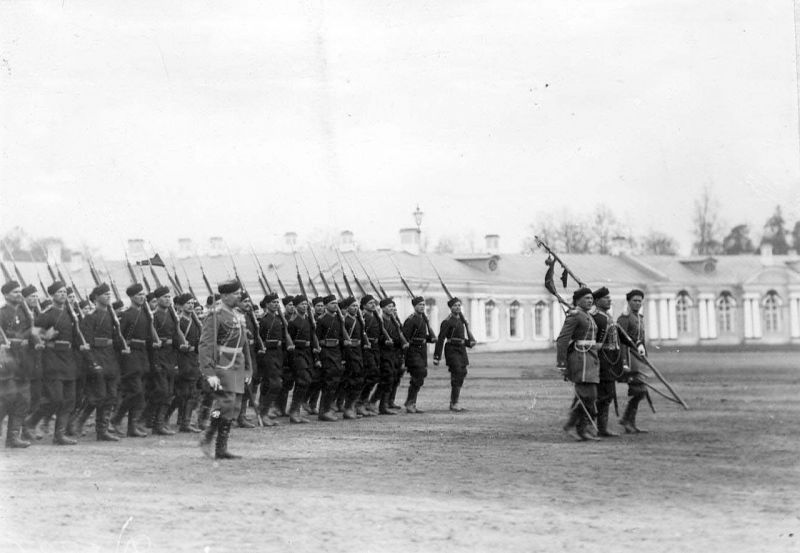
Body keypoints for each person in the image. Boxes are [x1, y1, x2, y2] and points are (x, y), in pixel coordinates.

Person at [25, 281, 87, 445]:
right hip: (52, 359)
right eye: (59, 292)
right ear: (52, 295)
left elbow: (75, 337)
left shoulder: (70, 314)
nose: (63, 295)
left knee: (69, 400)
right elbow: (33, 335)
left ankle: (59, 435)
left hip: (68, 359)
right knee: (55, 399)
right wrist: (46, 335)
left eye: (65, 292)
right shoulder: (47, 314)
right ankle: (30, 423)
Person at [198, 280, 253, 459]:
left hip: (237, 364)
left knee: (233, 406)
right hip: (223, 364)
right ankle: (208, 436)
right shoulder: (215, 315)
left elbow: (244, 346)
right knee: (225, 404)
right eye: (236, 294)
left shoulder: (237, 314)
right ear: (225, 296)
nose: (239, 296)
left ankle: (220, 448)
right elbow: (205, 344)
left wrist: (248, 369)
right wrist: (209, 372)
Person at [80, 283, 127, 442]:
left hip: (110, 358)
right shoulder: (90, 316)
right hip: (97, 357)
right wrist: (92, 363)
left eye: (109, 294)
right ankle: (77, 422)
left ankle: (103, 431)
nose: (108, 296)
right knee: (98, 396)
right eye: (105, 294)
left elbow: (116, 338)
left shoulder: (111, 315)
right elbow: (86, 343)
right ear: (96, 297)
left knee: (111, 396)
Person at [591, 287, 636, 438]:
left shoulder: (607, 316)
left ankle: (599, 427)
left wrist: (633, 344)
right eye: (606, 298)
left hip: (611, 361)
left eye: (610, 298)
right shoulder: (597, 317)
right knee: (603, 395)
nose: (610, 300)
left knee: (607, 395)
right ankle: (596, 427)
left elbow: (617, 336)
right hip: (603, 361)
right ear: (597, 301)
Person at [556, 287, 600, 442]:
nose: (590, 300)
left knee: (590, 396)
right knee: (587, 395)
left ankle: (581, 429)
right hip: (580, 358)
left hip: (591, 358)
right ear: (577, 300)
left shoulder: (587, 315)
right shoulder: (575, 315)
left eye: (591, 298)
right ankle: (572, 426)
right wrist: (561, 363)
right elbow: (562, 340)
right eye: (586, 298)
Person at [111, 283, 151, 437]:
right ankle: (116, 419)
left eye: (143, 294)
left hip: (141, 356)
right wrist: (124, 348)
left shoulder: (145, 314)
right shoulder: (126, 314)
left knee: (139, 393)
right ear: (131, 297)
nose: (142, 297)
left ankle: (131, 427)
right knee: (136, 391)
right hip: (129, 356)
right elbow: (117, 337)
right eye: (139, 295)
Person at [0, 281, 34, 447]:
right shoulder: (2, 313)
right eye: (14, 292)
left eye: (20, 292)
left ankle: (13, 437)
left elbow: (32, 333)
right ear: (5, 295)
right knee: (6, 400)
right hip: (7, 361)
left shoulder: (25, 313)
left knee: (23, 400)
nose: (19, 295)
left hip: (23, 361)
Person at [433, 297, 475, 411]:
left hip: (461, 350)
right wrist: (437, 356)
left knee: (462, 373)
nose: (457, 307)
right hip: (451, 350)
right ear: (450, 308)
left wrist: (469, 343)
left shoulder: (462, 321)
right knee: (457, 372)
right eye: (455, 305)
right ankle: (454, 403)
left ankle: (454, 401)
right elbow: (441, 339)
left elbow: (460, 338)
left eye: (459, 305)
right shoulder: (447, 322)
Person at [617, 289, 650, 434]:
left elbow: (641, 339)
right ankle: (626, 420)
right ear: (629, 302)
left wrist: (644, 354)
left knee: (641, 391)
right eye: (634, 300)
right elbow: (622, 342)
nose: (637, 303)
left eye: (639, 301)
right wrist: (624, 361)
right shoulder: (624, 318)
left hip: (638, 357)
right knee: (639, 390)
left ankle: (630, 421)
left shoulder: (640, 317)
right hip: (629, 357)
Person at [258, 293, 291, 424]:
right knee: (275, 384)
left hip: (278, 355)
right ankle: (264, 413)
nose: (276, 304)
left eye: (277, 302)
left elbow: (284, 338)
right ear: (267, 304)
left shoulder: (279, 319)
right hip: (267, 355)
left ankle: (264, 412)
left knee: (270, 384)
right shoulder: (263, 320)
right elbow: (258, 340)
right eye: (273, 302)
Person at [285, 295, 316, 424]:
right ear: (296, 306)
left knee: (306, 380)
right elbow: (288, 340)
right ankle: (294, 411)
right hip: (297, 353)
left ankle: (296, 410)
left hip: (307, 352)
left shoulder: (308, 319)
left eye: (306, 304)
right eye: (302, 304)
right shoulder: (292, 322)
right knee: (304, 380)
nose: (305, 306)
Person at [402, 296, 435, 413]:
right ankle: (410, 403)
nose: (422, 306)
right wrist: (404, 356)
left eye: (423, 304)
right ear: (414, 306)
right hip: (413, 351)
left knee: (420, 376)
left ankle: (411, 403)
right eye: (419, 304)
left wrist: (430, 338)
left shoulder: (422, 319)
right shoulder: (411, 320)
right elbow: (405, 338)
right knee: (419, 374)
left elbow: (421, 336)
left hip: (422, 351)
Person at [174, 293, 202, 433]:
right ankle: (184, 422)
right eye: (188, 303)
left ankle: (184, 420)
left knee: (191, 392)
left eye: (192, 303)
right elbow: (175, 339)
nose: (191, 305)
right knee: (187, 392)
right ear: (181, 306)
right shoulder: (179, 321)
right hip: (183, 358)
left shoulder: (196, 321)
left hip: (194, 358)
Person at [314, 295, 345, 421]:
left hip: (336, 352)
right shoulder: (321, 320)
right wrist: (317, 358)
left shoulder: (339, 319)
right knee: (329, 382)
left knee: (335, 381)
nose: (335, 305)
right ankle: (324, 411)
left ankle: (328, 408)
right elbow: (316, 339)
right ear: (326, 305)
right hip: (326, 352)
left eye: (336, 303)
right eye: (332, 303)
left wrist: (343, 356)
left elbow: (342, 339)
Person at [377, 297, 405, 414]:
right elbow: (376, 338)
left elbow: (398, 338)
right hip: (383, 354)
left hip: (393, 354)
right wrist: (384, 341)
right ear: (382, 308)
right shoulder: (380, 322)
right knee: (387, 378)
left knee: (392, 378)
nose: (392, 309)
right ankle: (377, 403)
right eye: (389, 307)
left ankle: (384, 404)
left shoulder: (394, 322)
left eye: (393, 307)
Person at [357, 295, 381, 416]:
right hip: (366, 349)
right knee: (369, 375)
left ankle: (364, 402)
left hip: (375, 348)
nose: (373, 304)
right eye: (370, 303)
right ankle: (359, 403)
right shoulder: (362, 317)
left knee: (375, 376)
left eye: (374, 302)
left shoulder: (375, 317)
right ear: (364, 305)